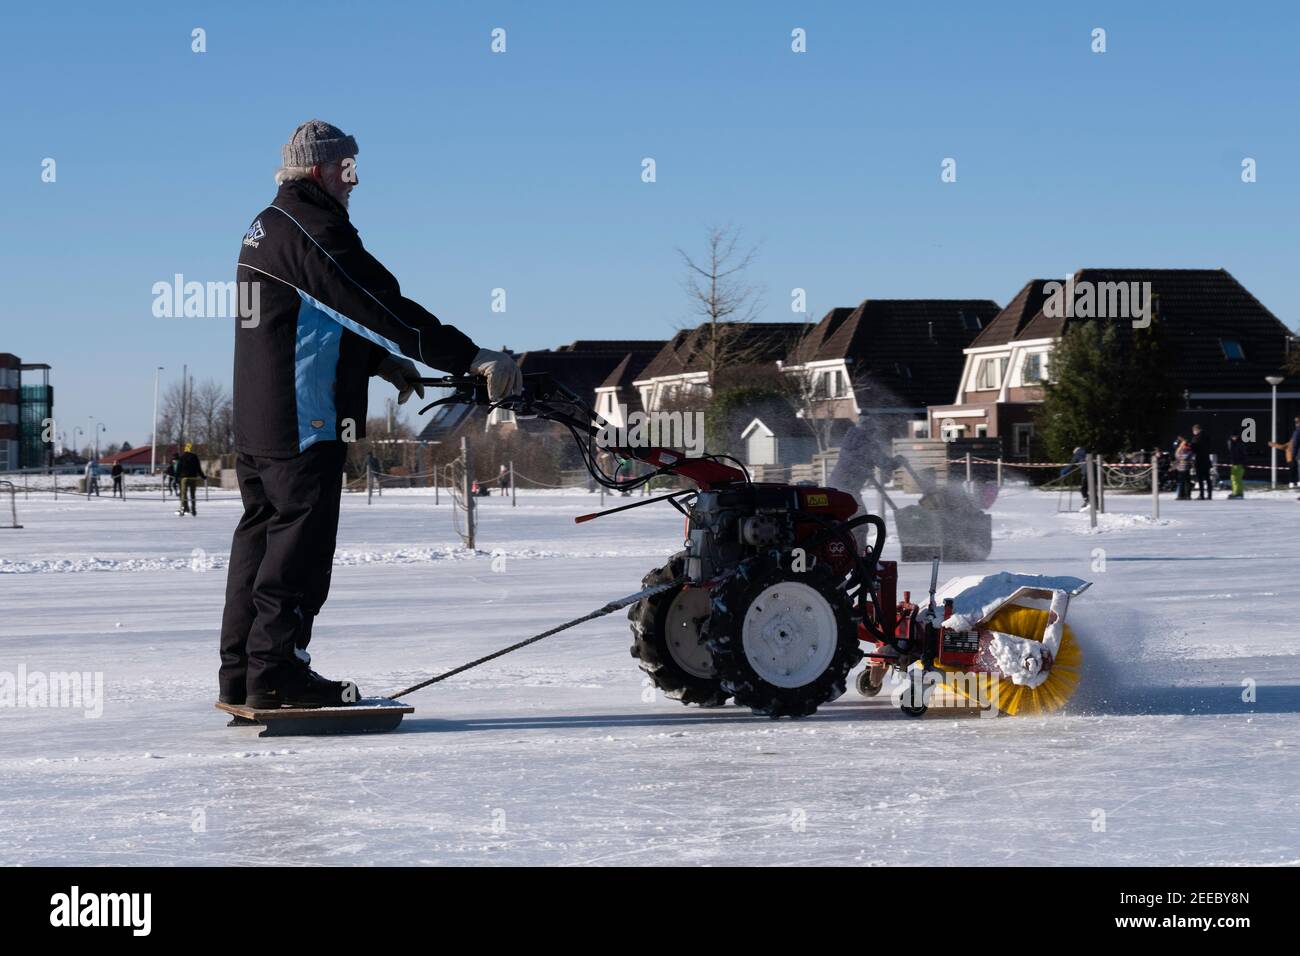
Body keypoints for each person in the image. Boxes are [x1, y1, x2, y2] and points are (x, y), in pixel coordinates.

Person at [218, 120, 522, 710]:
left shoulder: (271, 223)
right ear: (315, 170)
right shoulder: (312, 227)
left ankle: (244, 675)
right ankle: (278, 674)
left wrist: (381, 361)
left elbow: (321, 313)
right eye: (344, 168)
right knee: (298, 550)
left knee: (260, 539)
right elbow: (378, 301)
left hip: (263, 419)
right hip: (303, 418)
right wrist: (469, 355)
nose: (354, 180)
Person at [176, 443, 205, 515]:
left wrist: (176, 478)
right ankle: (193, 509)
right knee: (193, 495)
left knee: (183, 494)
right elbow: (198, 468)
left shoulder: (182, 457)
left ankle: (183, 508)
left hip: (184, 478)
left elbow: (178, 469)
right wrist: (203, 476)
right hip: (193, 478)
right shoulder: (195, 457)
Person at [1190, 424, 1212, 500]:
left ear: (1196, 430)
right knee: (1208, 478)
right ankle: (1209, 495)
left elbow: (1193, 449)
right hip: (1206, 460)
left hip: (1199, 460)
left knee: (1200, 479)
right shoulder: (1207, 436)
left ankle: (1202, 495)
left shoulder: (1196, 438)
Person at [1225, 433, 1247, 499]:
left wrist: (1230, 442)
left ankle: (1236, 493)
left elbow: (1234, 453)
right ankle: (1239, 492)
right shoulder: (1240, 443)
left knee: (1235, 479)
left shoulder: (1235, 444)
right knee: (1238, 479)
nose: (1234, 438)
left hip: (1237, 464)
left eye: (1235, 436)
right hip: (1240, 464)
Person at [1173, 435, 1193, 499]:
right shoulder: (1188, 451)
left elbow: (1177, 455)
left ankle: (1181, 495)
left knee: (1183, 482)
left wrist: (1182, 443)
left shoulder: (1181, 451)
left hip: (1182, 468)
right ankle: (1187, 495)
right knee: (1186, 482)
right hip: (1185, 468)